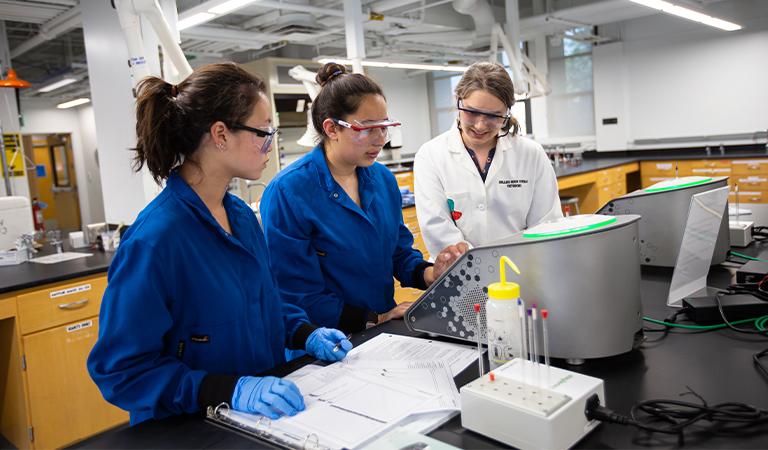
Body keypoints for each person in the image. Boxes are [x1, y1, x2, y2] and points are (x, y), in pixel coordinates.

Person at [87, 63, 352, 426]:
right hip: (190, 429)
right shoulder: (155, 241)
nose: (269, 146)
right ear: (221, 135)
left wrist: (305, 332)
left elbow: (264, 302)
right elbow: (120, 370)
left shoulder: (240, 216)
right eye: (263, 132)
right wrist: (225, 390)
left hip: (265, 418)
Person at [260, 63, 465, 334]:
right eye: (368, 128)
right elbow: (297, 294)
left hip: (382, 328)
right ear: (332, 128)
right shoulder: (289, 192)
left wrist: (431, 273)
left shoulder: (381, 179)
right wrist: (373, 319)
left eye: (385, 126)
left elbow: (399, 254)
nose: (381, 139)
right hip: (322, 340)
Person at [414, 61, 562, 256]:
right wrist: (478, 266)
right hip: (460, 274)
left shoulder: (530, 154)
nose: (480, 125)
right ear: (458, 100)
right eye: (472, 112)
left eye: (494, 116)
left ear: (507, 113)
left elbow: (546, 223)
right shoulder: (430, 155)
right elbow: (437, 227)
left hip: (521, 269)